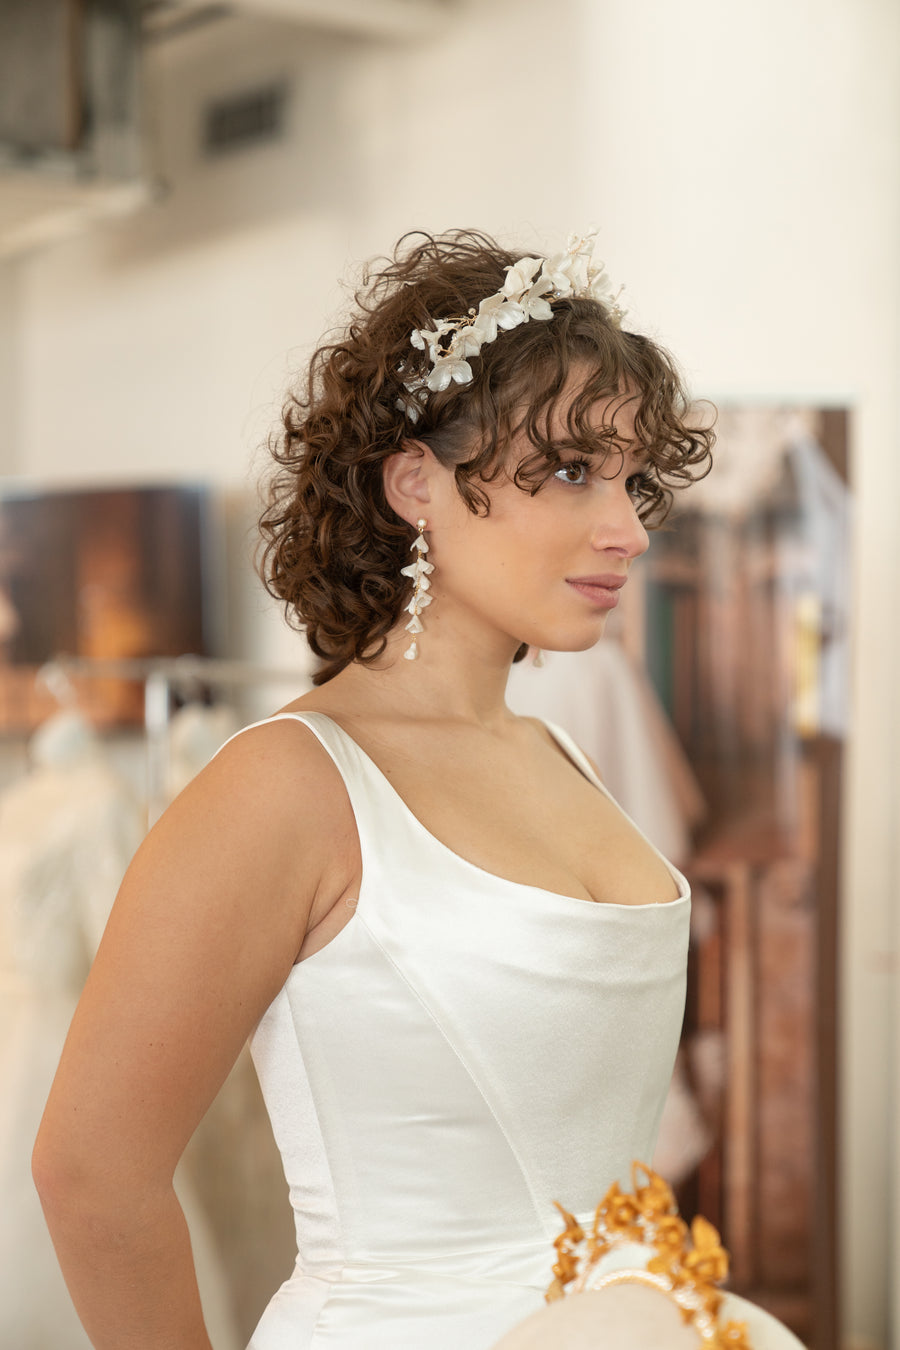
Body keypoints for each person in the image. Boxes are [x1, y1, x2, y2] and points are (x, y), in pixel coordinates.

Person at [33, 228, 715, 1350]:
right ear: (416, 485)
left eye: (635, 479)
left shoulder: (565, 759)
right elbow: (91, 1175)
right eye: (574, 471)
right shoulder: (283, 787)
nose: (628, 528)